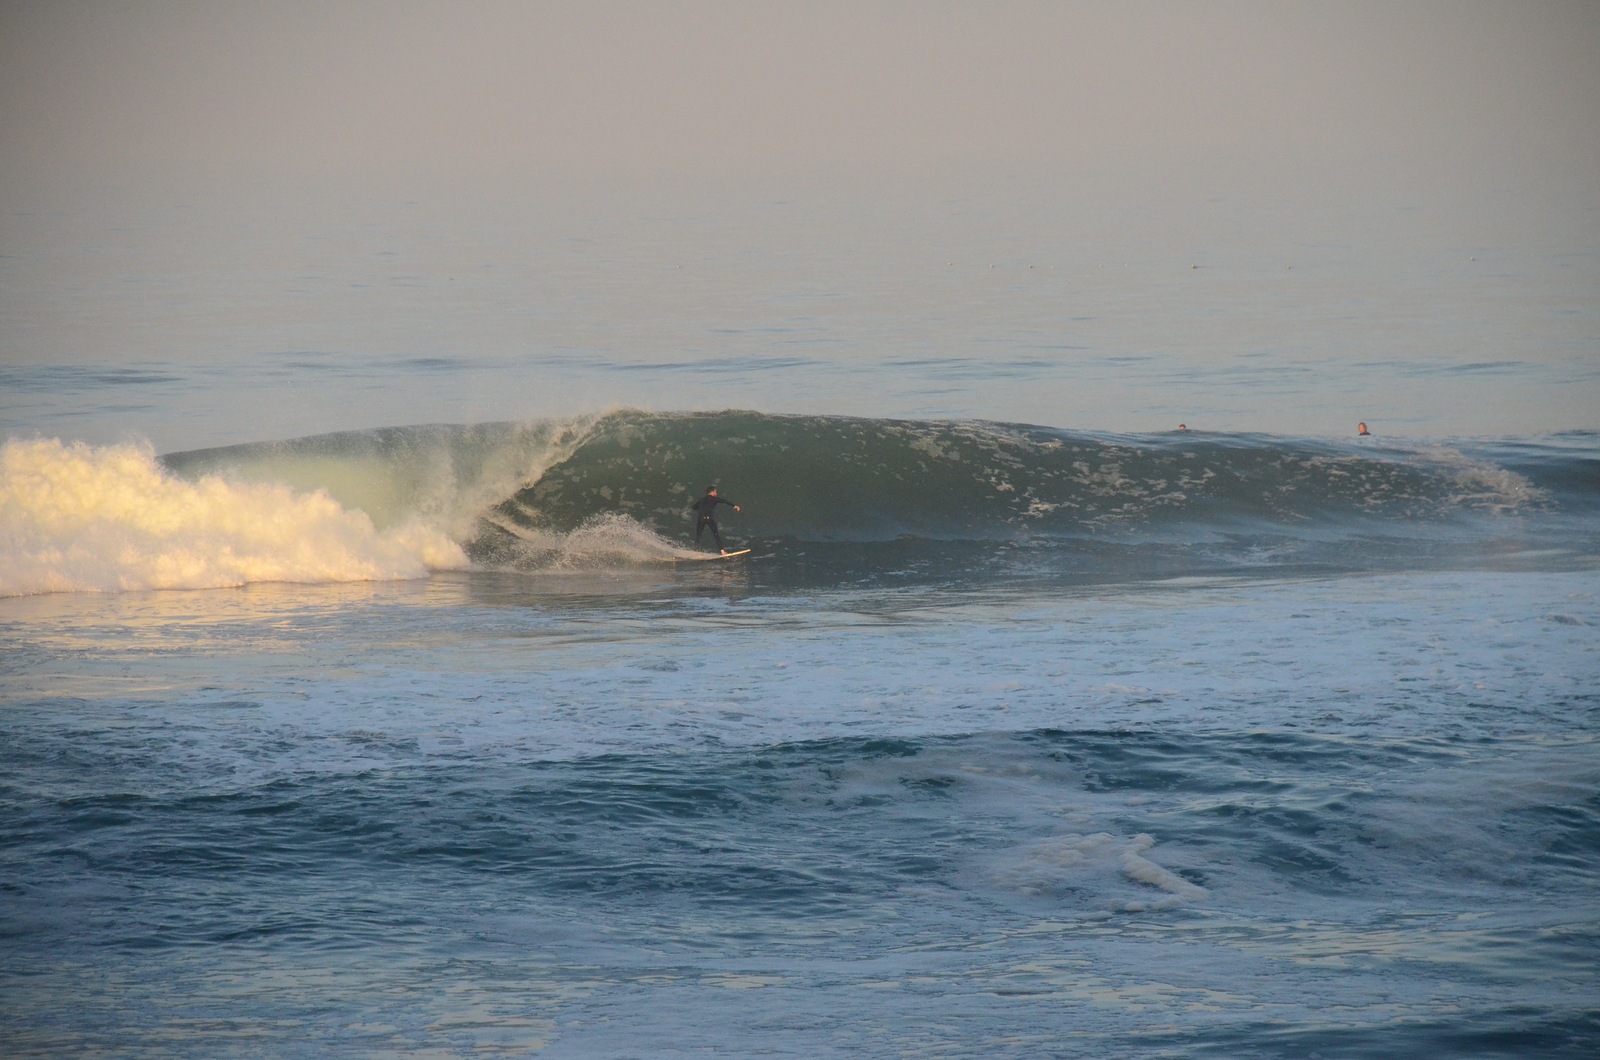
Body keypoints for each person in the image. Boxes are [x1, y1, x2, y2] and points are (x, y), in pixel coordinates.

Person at [689, 486, 741, 553]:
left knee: (698, 535)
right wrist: (734, 506)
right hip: (709, 518)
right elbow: (724, 501)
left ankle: (695, 551)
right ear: (712, 492)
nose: (716, 493)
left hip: (701, 518)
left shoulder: (701, 500)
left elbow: (694, 507)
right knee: (716, 534)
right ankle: (722, 551)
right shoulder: (714, 499)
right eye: (716, 492)